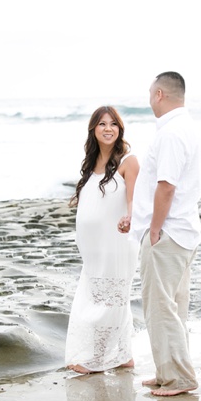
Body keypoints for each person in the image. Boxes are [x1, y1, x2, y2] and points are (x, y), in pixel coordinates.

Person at [128, 71, 201, 396]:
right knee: (174, 306)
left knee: (160, 307)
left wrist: (154, 229)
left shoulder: (172, 133)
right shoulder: (184, 127)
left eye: (149, 93)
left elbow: (166, 187)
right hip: (183, 232)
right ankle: (167, 371)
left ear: (159, 94)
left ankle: (179, 378)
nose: (148, 100)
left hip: (169, 234)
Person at [65, 105, 140, 374]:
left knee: (112, 300)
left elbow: (134, 198)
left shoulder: (128, 161)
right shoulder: (91, 164)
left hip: (117, 243)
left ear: (120, 129)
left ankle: (97, 358)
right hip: (94, 249)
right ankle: (123, 355)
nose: (108, 128)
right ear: (93, 130)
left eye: (113, 124)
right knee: (99, 297)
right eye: (102, 124)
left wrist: (130, 217)